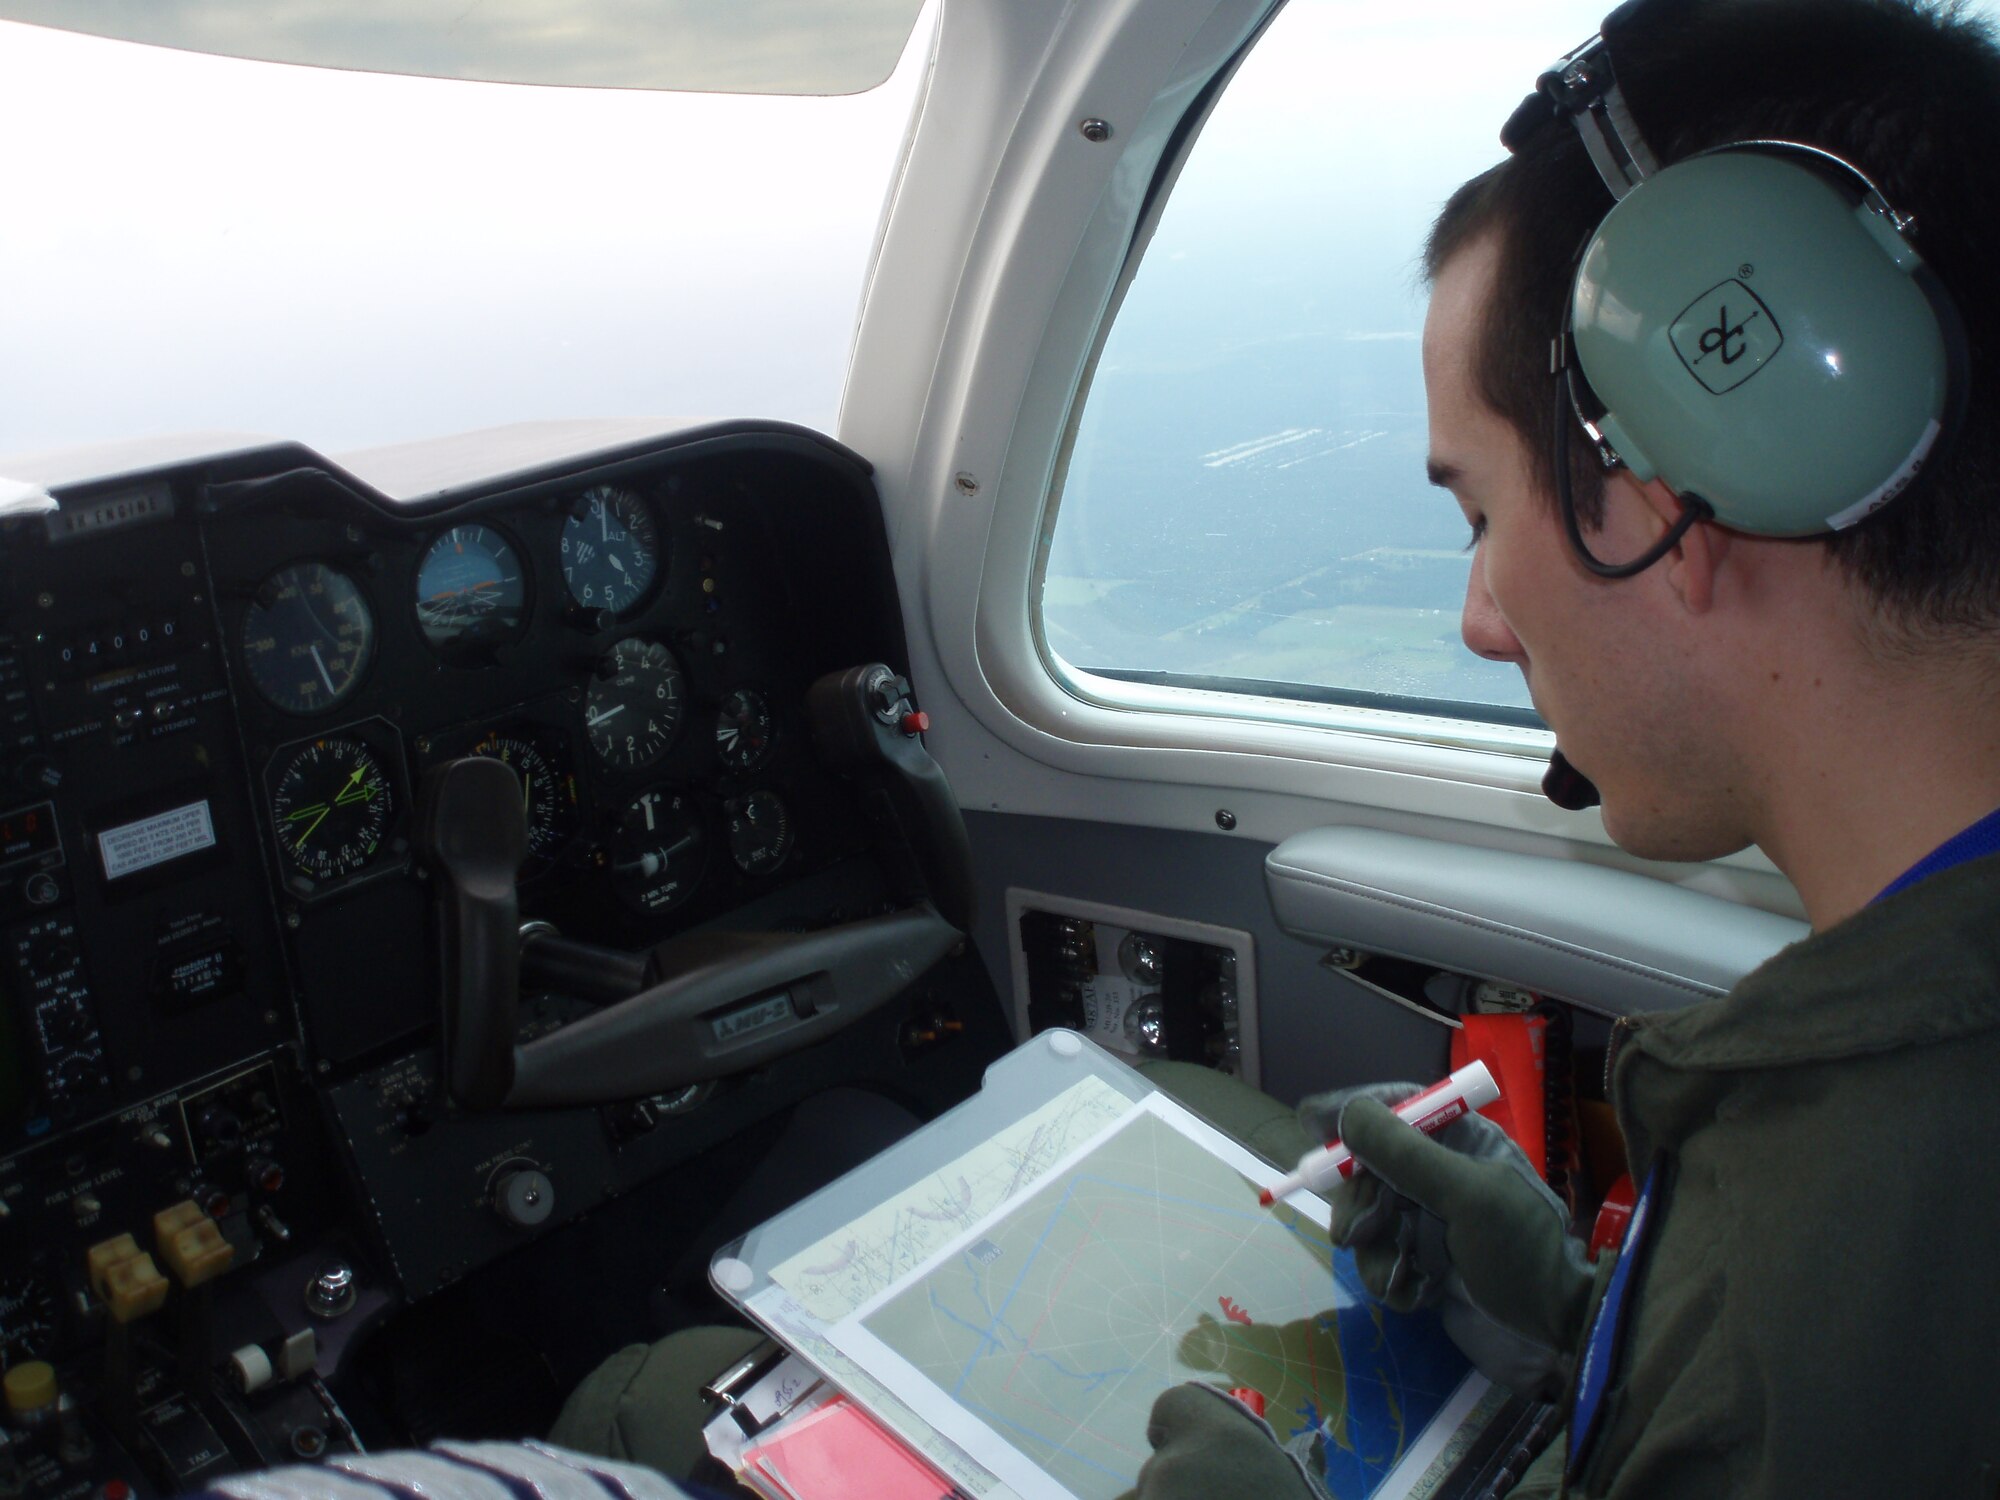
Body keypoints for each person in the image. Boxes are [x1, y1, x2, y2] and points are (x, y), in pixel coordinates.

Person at [1130, 0, 2000, 1495]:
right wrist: (1583, 1317)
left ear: (1682, 483)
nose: (1480, 618)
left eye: (1480, 514)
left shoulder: (1837, 1250)